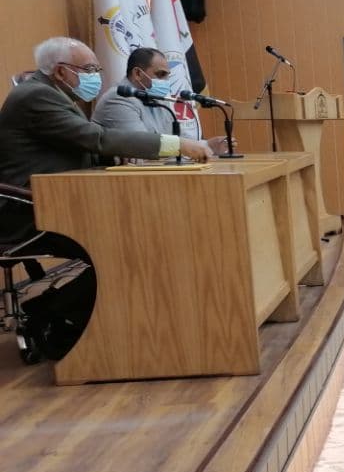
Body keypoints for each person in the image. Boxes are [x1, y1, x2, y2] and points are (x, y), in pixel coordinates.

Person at [0, 37, 211, 358]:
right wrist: (176, 145)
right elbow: (94, 138)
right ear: (61, 71)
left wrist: (114, 158)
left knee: (145, 240)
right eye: (90, 69)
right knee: (134, 246)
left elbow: (76, 149)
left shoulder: (53, 93)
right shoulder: (36, 96)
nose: (97, 76)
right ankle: (48, 314)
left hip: (55, 203)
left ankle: (64, 315)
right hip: (30, 212)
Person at [92, 47, 234, 156]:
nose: (165, 81)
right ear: (138, 74)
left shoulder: (157, 98)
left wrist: (207, 145)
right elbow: (142, 147)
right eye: (160, 74)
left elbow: (176, 139)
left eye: (167, 76)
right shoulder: (118, 99)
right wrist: (189, 148)